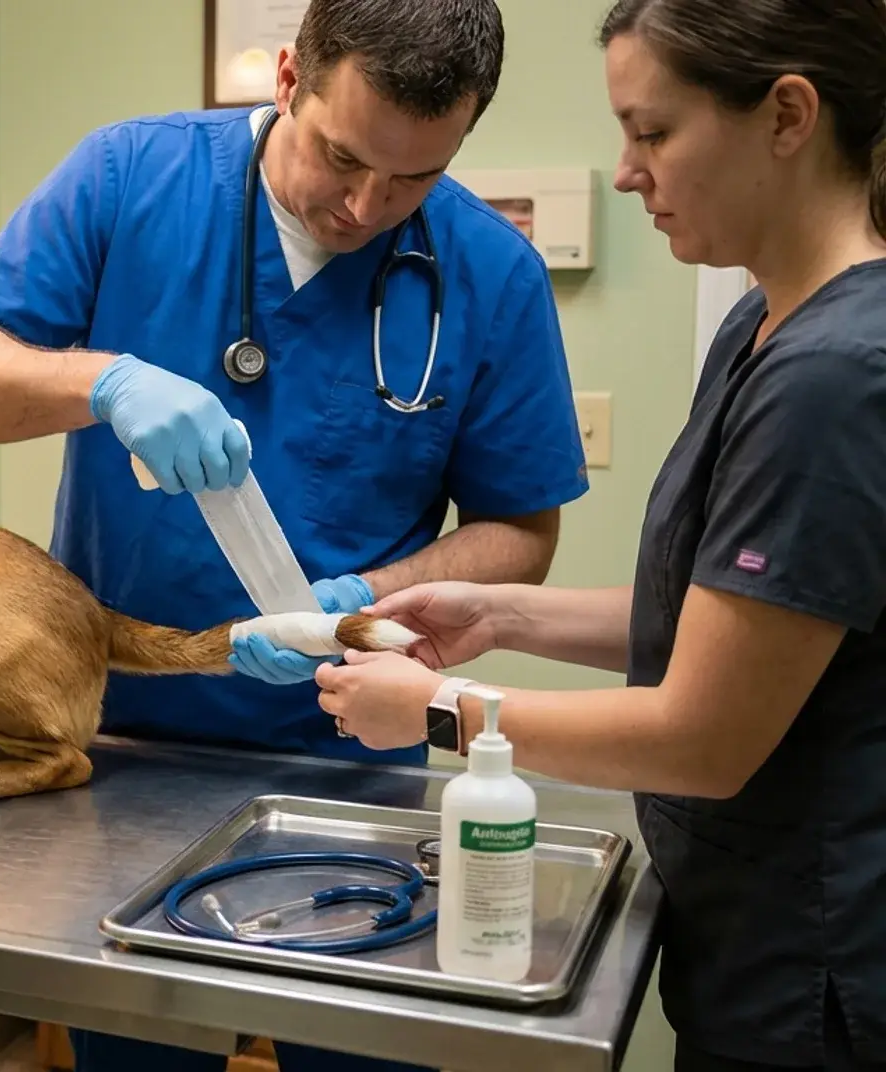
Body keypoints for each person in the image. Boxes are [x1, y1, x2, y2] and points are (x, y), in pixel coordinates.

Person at [0, 0, 590, 1067]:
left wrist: (369, 598)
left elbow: (518, 534)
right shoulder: (131, 179)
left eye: (413, 179)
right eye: (342, 156)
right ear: (285, 79)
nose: (366, 206)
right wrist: (104, 380)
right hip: (125, 751)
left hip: (357, 761)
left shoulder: (490, 275)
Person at [316, 1, 886, 1068]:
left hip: (821, 972)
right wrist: (497, 613)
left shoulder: (836, 376)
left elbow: (703, 738)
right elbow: (724, 620)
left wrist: (439, 713)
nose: (627, 171)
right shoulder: (763, 326)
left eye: (653, 132)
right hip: (746, 933)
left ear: (788, 115)